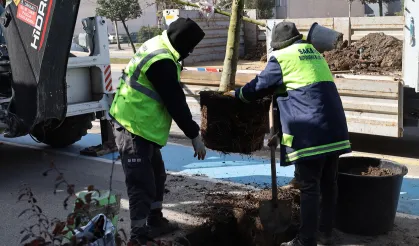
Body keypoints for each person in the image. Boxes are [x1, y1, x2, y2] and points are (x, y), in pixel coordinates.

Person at [229, 22, 351, 246]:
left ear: (278, 45)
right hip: (335, 128)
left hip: (311, 132)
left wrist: (237, 95)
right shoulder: (313, 52)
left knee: (310, 186)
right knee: (328, 183)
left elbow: (259, 86)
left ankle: (306, 240)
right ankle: (325, 234)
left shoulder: (282, 57)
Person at [109, 17, 207, 246]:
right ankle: (138, 236)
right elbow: (175, 101)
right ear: (182, 43)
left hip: (144, 127)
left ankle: (154, 220)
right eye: (191, 47)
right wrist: (194, 135)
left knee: (157, 176)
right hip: (132, 125)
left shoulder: (161, 45)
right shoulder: (161, 60)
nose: (191, 52)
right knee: (141, 183)